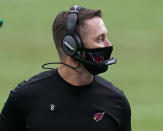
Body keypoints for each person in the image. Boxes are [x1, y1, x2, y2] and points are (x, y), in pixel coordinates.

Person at [0, 5, 131, 131]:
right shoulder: (24, 98)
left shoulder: (117, 103)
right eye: (100, 39)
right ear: (71, 46)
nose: (108, 45)